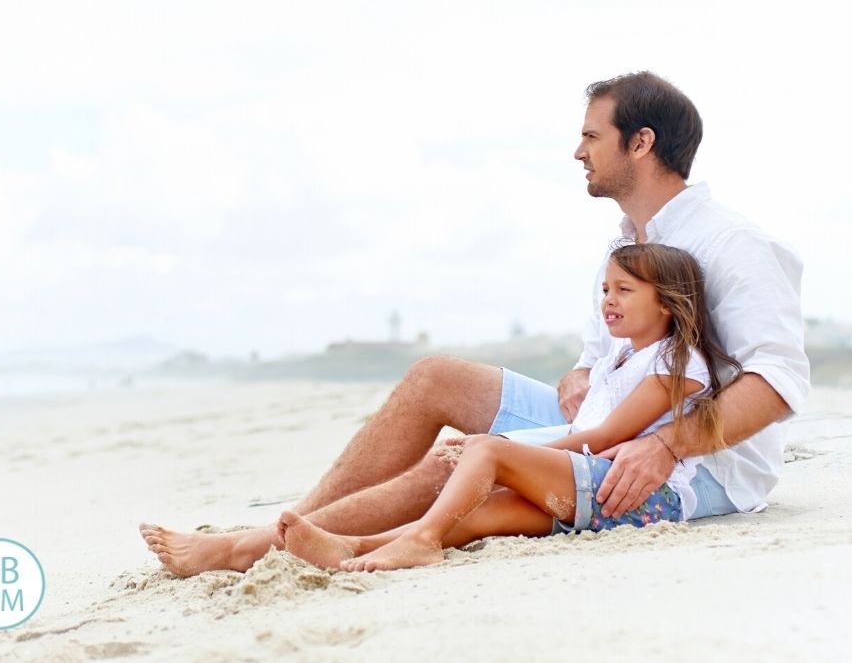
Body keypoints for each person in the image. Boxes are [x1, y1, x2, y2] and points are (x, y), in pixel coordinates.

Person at [140, 71, 809, 577]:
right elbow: (602, 355)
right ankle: (296, 525)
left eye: (590, 136)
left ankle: (251, 549)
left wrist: (666, 448)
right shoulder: (626, 245)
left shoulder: (734, 245)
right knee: (437, 377)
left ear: (641, 143)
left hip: (696, 461)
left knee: (456, 464)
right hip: (615, 417)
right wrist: (580, 371)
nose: (577, 151)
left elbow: (778, 381)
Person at [276, 243, 742, 571]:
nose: (608, 302)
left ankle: (419, 540)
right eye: (605, 290)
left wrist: (528, 458)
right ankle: (353, 547)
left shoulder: (676, 360)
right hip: (594, 485)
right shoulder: (616, 360)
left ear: (665, 302)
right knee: (482, 512)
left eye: (624, 290)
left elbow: (608, 436)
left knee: (487, 451)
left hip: (638, 496)